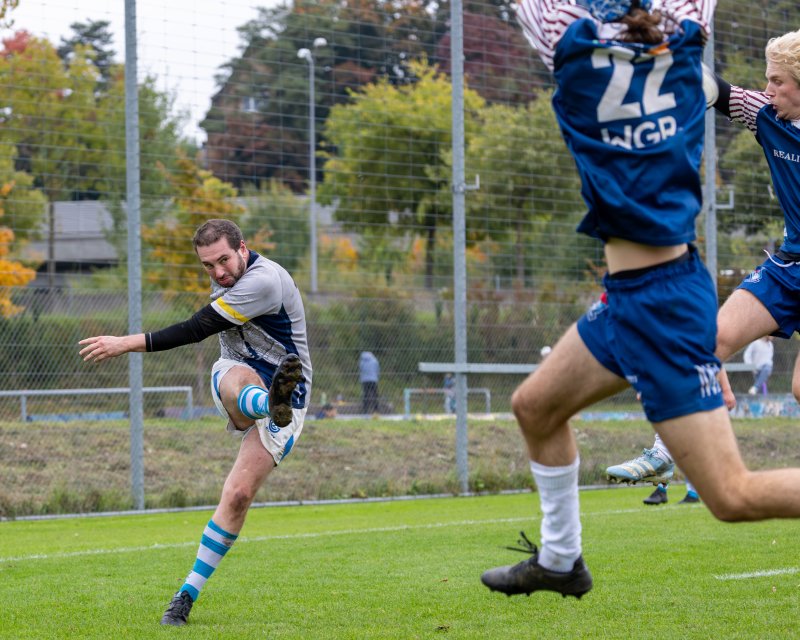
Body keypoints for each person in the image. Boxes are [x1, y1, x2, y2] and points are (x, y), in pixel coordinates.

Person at [482, 0, 800, 602]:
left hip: (660, 303)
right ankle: (560, 559)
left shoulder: (575, 58)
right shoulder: (682, 59)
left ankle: (644, 468)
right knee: (535, 407)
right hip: (638, 296)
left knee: (731, 495)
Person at [78, 219, 312, 626]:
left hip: (293, 390)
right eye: (208, 265)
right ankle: (268, 405)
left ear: (243, 248)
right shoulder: (230, 275)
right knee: (240, 381)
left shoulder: (263, 281)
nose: (218, 272)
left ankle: (276, 403)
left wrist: (125, 343)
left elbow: (195, 329)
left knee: (237, 496)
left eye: (224, 260)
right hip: (236, 373)